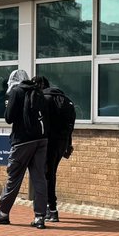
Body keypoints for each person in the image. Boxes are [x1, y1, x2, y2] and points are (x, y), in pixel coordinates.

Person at [0, 69, 49, 228]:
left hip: (22, 141)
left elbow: (9, 118)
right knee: (39, 178)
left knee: (13, 177)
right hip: (41, 140)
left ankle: (3, 213)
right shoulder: (38, 91)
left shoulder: (16, 92)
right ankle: (40, 217)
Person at [30, 75, 75, 222]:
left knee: (46, 176)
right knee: (51, 174)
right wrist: (68, 144)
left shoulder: (45, 99)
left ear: (41, 85)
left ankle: (52, 210)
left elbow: (41, 123)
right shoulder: (65, 100)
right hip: (62, 143)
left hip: (48, 143)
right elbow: (70, 126)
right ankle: (51, 208)